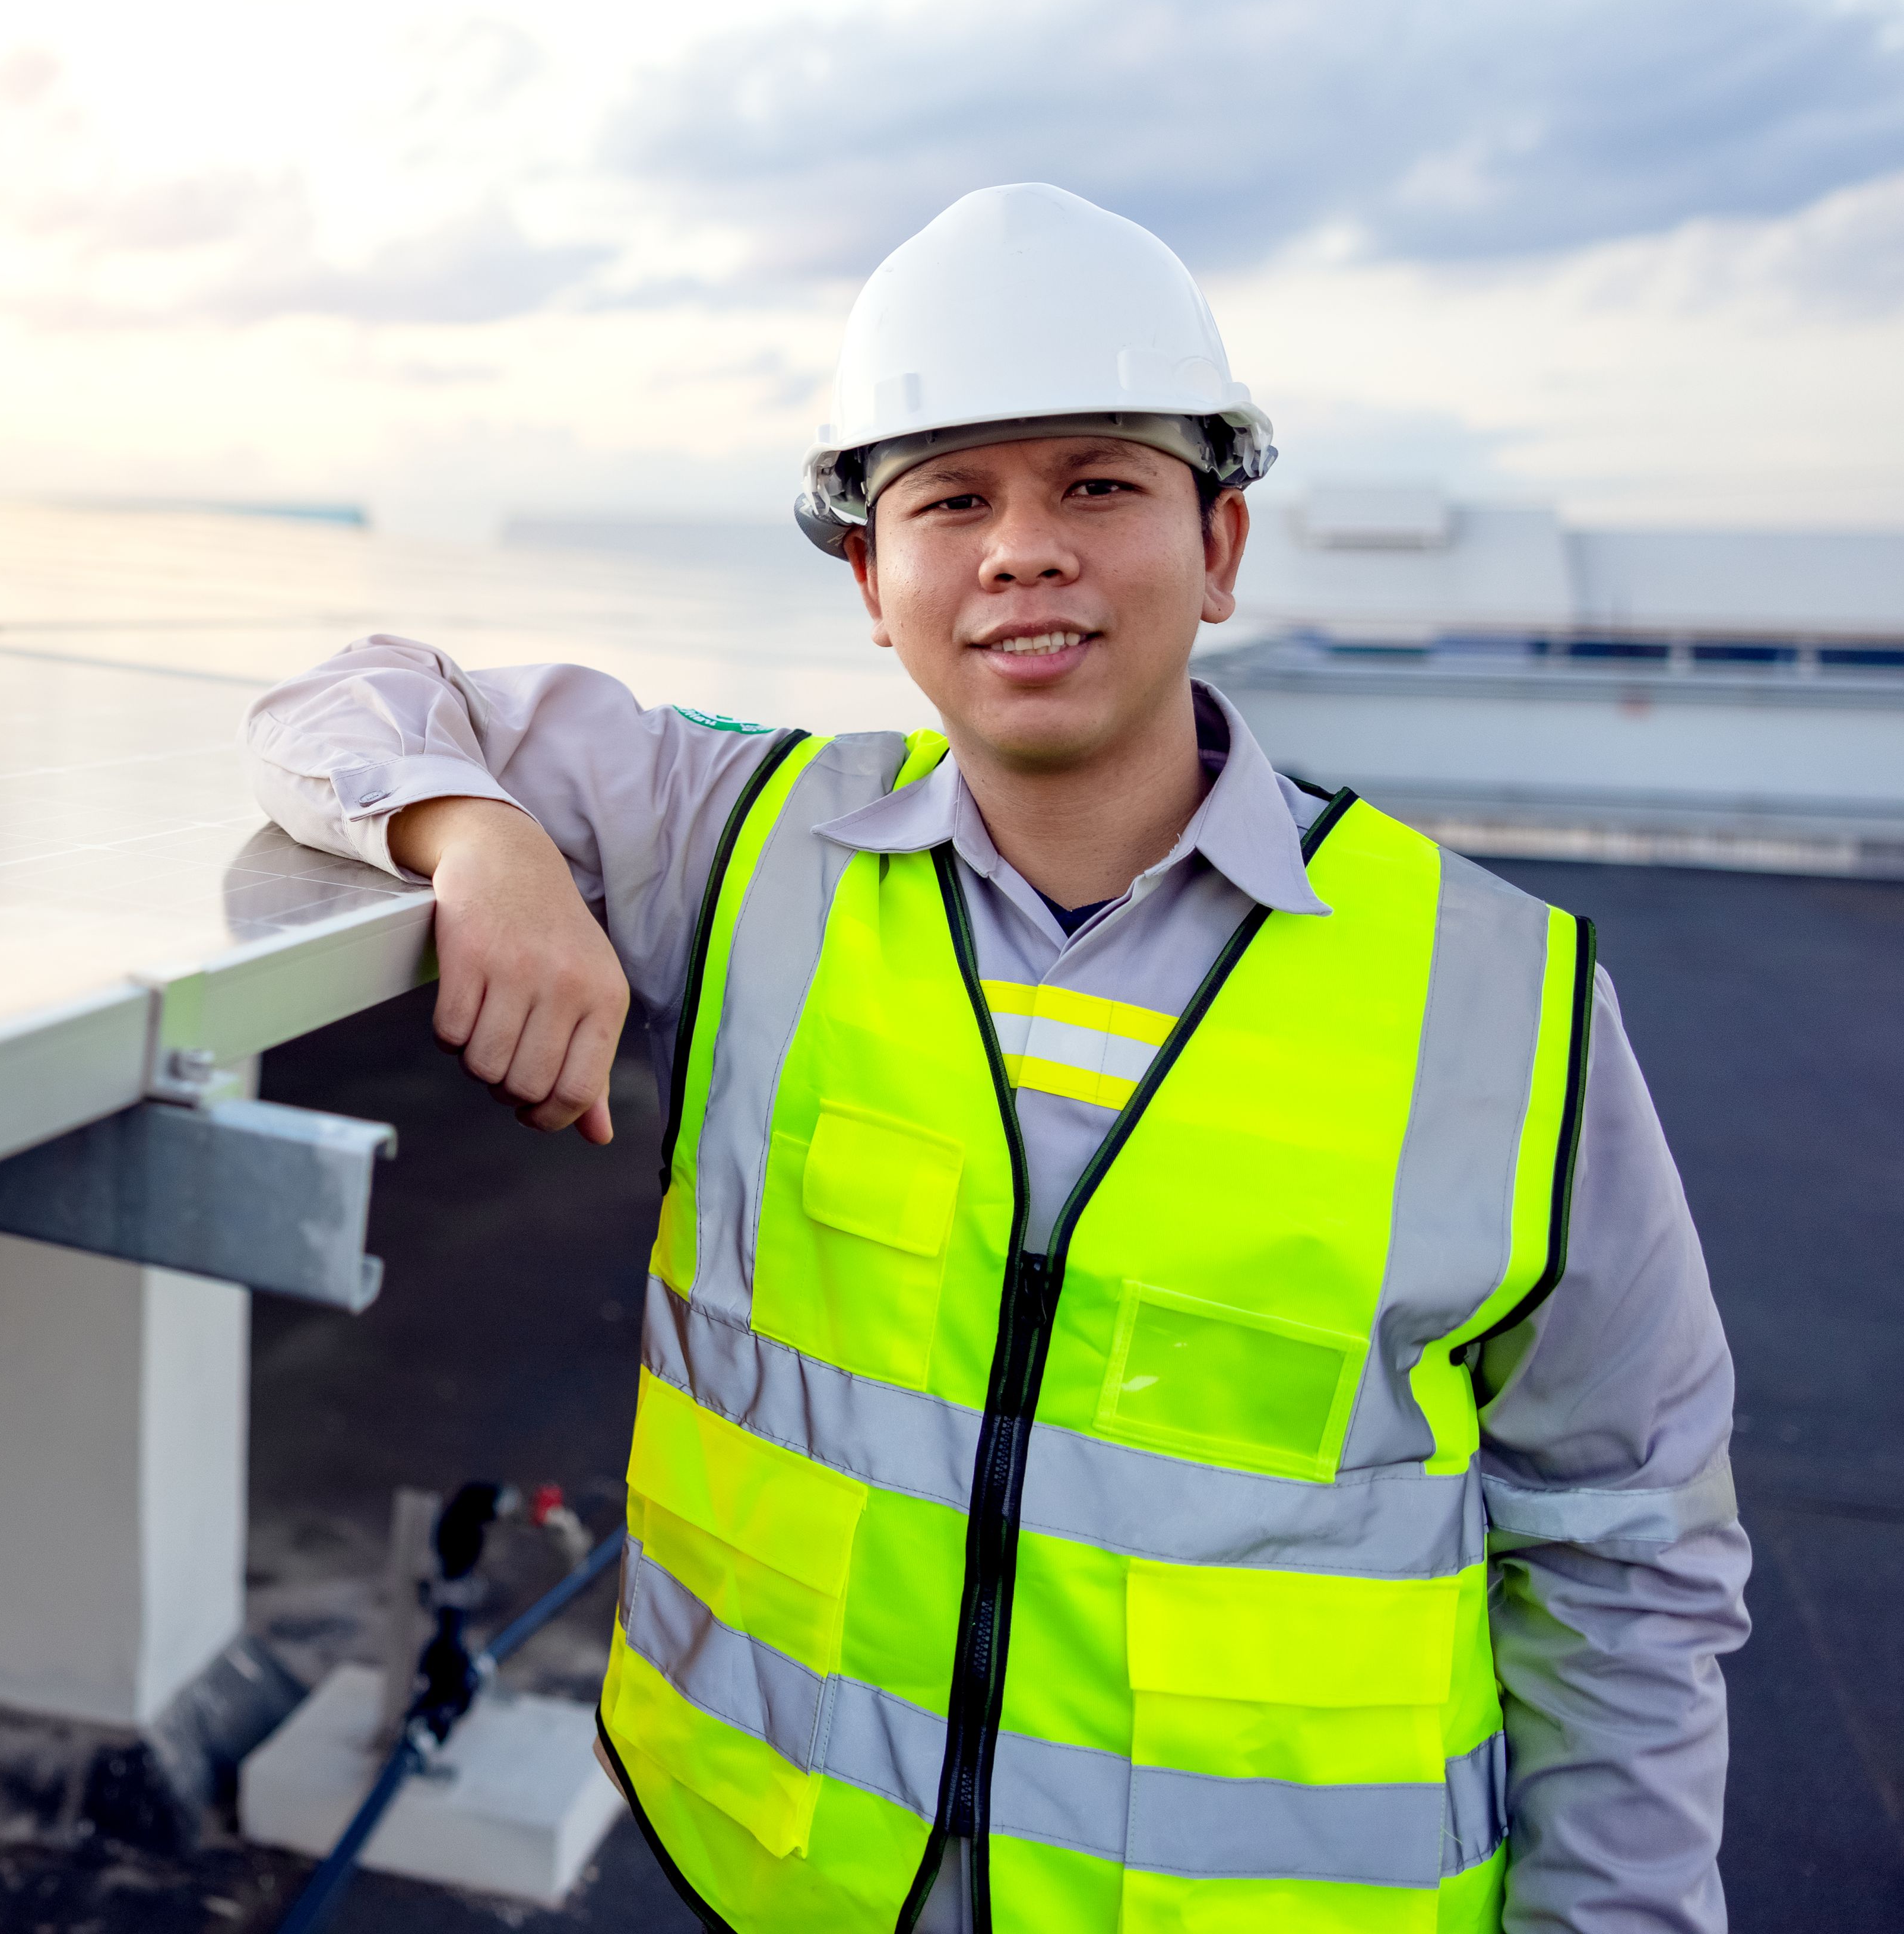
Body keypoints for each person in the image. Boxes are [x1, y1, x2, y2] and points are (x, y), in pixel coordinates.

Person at [242, 185, 1747, 1933]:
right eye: (950, 499)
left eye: (1098, 484)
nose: (1022, 551)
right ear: (872, 582)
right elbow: (340, 704)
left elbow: (1628, 1552)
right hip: (789, 1886)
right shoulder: (745, 845)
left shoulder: (1501, 999)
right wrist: (477, 836)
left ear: (1224, 547)